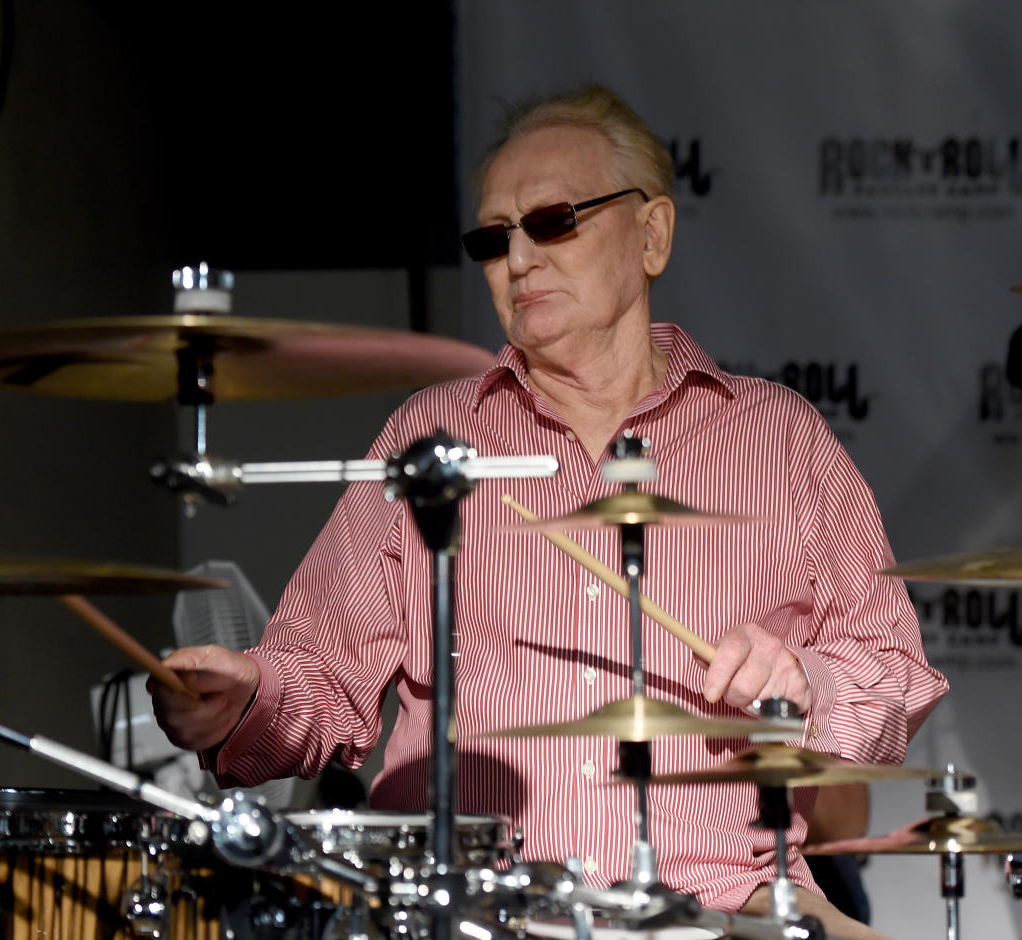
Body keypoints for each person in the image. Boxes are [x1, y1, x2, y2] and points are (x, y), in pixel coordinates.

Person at [149, 85, 947, 939]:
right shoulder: (432, 440)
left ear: (652, 235)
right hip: (476, 910)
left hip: (720, 905)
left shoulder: (778, 438)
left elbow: (896, 669)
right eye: (493, 239)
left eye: (553, 221)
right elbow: (321, 673)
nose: (518, 258)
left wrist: (807, 684)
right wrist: (243, 702)